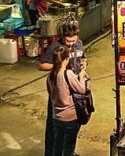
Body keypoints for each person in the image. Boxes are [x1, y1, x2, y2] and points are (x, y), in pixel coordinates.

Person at [38, 21, 86, 156]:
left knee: (70, 129)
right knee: (54, 127)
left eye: (73, 40)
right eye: (67, 40)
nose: (70, 44)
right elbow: (41, 65)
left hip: (73, 91)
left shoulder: (79, 44)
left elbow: (82, 59)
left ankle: (68, 152)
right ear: (62, 37)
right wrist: (59, 67)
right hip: (60, 91)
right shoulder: (56, 47)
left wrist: (83, 66)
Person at [45, 46, 88, 156]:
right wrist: (81, 76)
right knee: (69, 146)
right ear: (66, 59)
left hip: (56, 117)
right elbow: (82, 89)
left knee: (57, 145)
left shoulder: (50, 76)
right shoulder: (67, 74)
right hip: (70, 117)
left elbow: (52, 93)